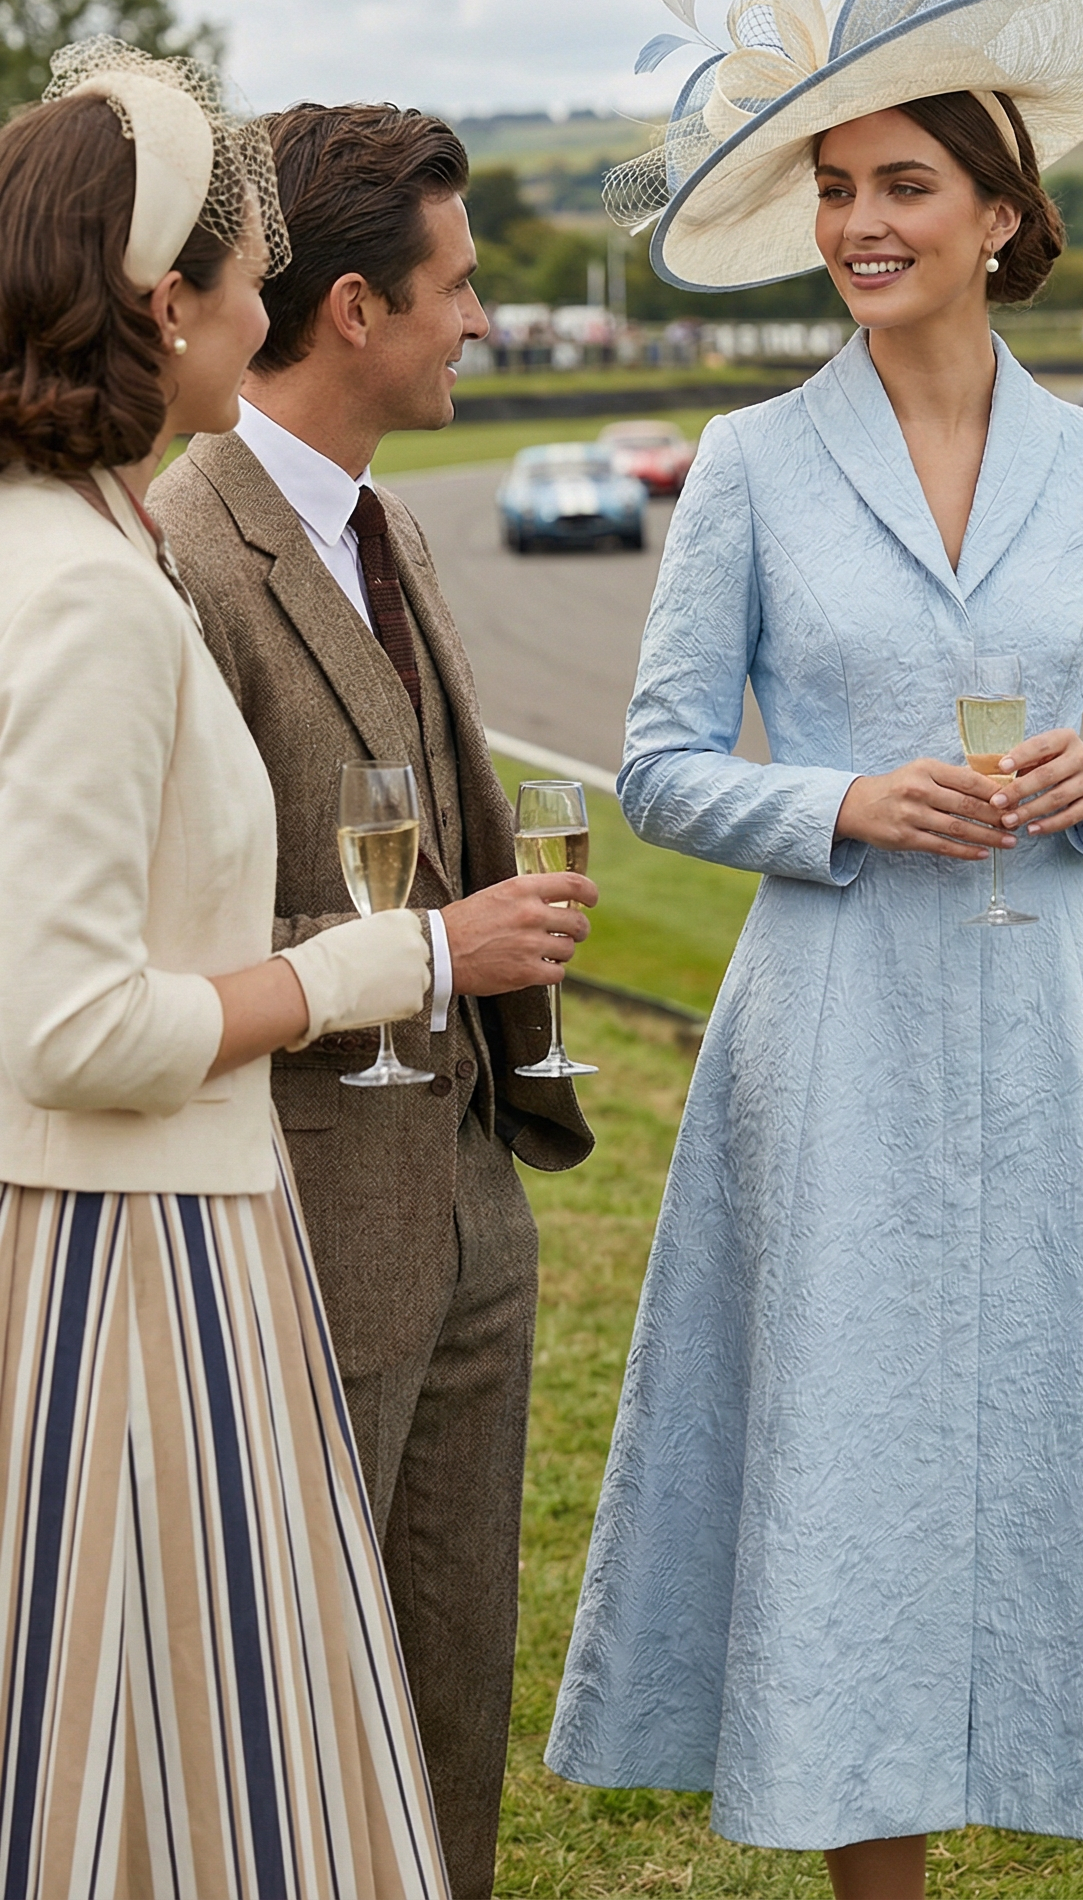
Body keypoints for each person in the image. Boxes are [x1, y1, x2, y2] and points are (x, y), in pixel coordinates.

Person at [547, 0, 1083, 1900]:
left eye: (903, 185)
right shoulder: (747, 466)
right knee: (850, 1490)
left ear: (1000, 214)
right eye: (836, 189)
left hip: (1060, 1043)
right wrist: (841, 805)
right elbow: (660, 766)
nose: (861, 222)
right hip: (836, 1043)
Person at [0, 39, 451, 1892]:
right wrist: (375, 968)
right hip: (127, 1262)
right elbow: (73, 1024)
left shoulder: (80, 534)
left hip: (184, 1220)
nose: (267, 306)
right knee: (157, 1785)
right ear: (163, 306)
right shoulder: (86, 591)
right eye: (243, 274)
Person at [150, 102, 597, 1900]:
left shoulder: (391, 531)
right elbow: (164, 930)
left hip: (468, 1202)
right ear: (351, 308)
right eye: (461, 287)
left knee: (446, 1706)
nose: (481, 318)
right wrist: (435, 952)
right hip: (300, 1230)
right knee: (291, 1725)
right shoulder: (186, 554)